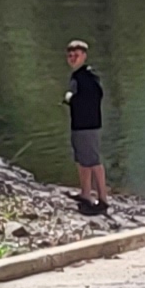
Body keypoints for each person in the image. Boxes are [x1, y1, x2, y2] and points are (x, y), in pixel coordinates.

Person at [62, 39, 109, 213]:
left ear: (84, 56)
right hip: (82, 124)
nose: (73, 58)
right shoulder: (83, 76)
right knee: (83, 161)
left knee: (93, 161)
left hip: (87, 126)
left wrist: (70, 98)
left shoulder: (86, 77)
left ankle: (103, 197)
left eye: (77, 55)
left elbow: (91, 97)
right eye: (70, 55)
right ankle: (86, 193)